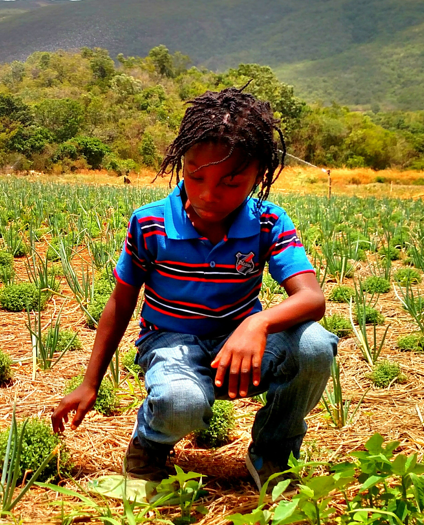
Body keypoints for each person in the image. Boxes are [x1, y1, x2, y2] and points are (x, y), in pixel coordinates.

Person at [51, 87, 334, 489]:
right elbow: (121, 301)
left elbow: (311, 298)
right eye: (194, 174)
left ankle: (273, 454)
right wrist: (90, 382)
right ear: (181, 164)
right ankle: (149, 445)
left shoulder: (269, 221)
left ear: (259, 176)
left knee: (314, 346)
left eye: (231, 183)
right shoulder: (149, 224)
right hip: (171, 342)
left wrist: (256, 325)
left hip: (239, 346)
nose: (207, 194)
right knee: (181, 402)